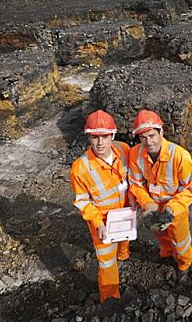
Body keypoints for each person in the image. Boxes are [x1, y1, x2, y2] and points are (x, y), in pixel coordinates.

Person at [70, 110, 134, 303]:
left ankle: (123, 255)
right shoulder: (80, 168)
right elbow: (83, 201)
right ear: (88, 137)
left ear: (112, 135)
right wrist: (97, 223)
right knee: (106, 262)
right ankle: (110, 298)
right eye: (95, 137)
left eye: (105, 136)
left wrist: (132, 197)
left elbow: (132, 177)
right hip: (103, 220)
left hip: (125, 212)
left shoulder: (123, 150)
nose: (100, 143)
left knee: (124, 240)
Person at [128, 110, 192, 280]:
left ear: (161, 132)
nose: (148, 142)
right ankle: (166, 253)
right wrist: (147, 203)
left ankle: (184, 263)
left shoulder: (180, 156)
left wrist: (170, 209)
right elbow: (135, 183)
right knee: (161, 235)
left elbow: (190, 189)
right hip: (152, 205)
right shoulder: (136, 154)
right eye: (143, 138)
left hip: (175, 208)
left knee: (180, 240)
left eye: (152, 135)